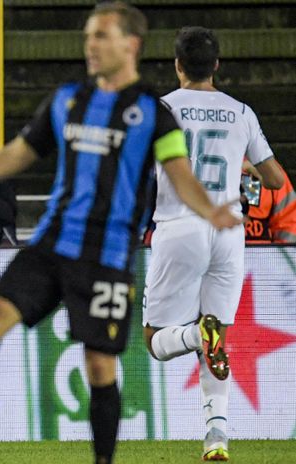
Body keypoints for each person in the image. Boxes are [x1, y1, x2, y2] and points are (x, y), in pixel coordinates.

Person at [0, 3, 242, 464]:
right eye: (88, 36)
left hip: (106, 254)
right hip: (51, 242)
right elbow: (17, 154)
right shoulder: (68, 100)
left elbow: (180, 175)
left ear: (131, 44)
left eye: (101, 36)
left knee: (99, 366)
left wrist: (210, 210)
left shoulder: (153, 114)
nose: (90, 45)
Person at [142, 26, 285, 462]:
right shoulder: (241, 112)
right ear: (217, 65)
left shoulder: (162, 108)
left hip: (179, 226)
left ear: (177, 65)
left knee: (154, 339)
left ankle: (193, 335)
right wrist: (242, 165)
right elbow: (276, 180)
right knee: (217, 335)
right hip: (228, 232)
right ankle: (216, 437)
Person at [242, 160, 296, 243]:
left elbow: (289, 221)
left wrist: (281, 251)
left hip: (261, 250)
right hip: (223, 248)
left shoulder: (269, 168)